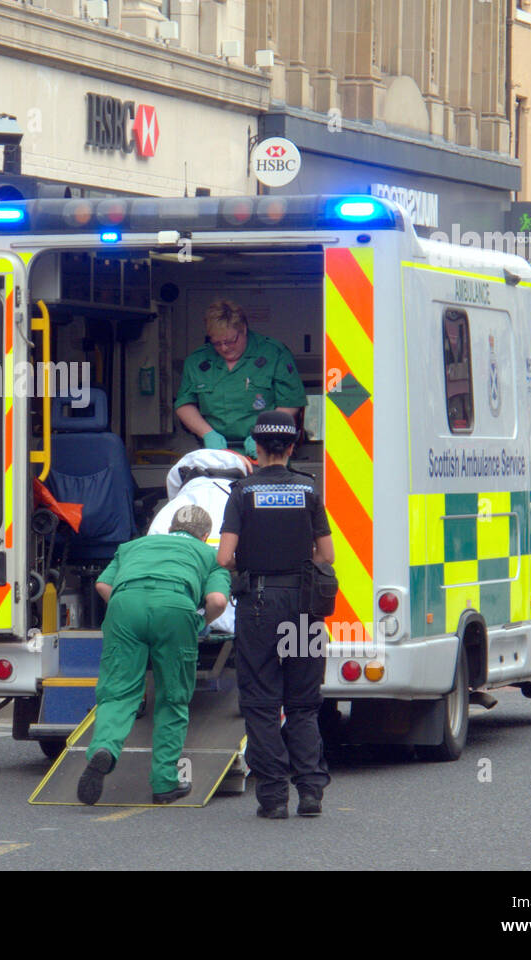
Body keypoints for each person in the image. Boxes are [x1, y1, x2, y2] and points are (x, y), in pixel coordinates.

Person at [217, 410, 334, 819]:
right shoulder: (309, 489)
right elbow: (327, 555)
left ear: (257, 446)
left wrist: (248, 567)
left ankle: (273, 797)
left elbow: (224, 556)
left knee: (262, 703)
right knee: (303, 703)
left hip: (261, 607)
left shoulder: (243, 492)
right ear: (291, 446)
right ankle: (312, 793)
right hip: (304, 607)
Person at [76, 505, 230, 806]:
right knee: (172, 697)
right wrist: (199, 622)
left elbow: (103, 584)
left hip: (125, 605)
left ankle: (103, 750)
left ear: (171, 527)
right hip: (175, 608)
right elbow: (218, 601)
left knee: (118, 692)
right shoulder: (212, 556)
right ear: (205, 535)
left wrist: (126, 604)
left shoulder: (132, 546)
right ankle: (164, 783)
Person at [174, 299, 306, 455]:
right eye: (216, 343)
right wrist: (207, 434)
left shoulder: (274, 353)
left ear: (243, 329)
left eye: (230, 341)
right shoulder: (197, 360)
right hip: (217, 453)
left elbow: (291, 402)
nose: (224, 348)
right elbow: (184, 404)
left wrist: (263, 434)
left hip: (266, 452)